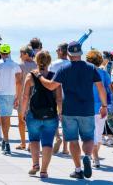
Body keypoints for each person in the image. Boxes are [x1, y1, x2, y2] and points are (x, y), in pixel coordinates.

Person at [34, 41, 107, 179]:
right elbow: (101, 88)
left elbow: (51, 86)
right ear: (80, 53)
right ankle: (87, 155)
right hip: (87, 109)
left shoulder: (64, 69)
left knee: (73, 140)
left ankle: (78, 169)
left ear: (68, 53)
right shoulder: (91, 68)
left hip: (69, 110)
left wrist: (39, 76)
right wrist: (104, 106)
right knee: (88, 138)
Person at [21, 51, 62, 178]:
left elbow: (25, 97)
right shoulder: (54, 76)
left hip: (33, 114)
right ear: (49, 62)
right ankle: (44, 171)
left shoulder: (30, 76)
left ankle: (35, 164)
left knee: (33, 140)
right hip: (50, 114)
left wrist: (23, 112)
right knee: (47, 143)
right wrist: (60, 113)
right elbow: (59, 99)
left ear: (36, 61)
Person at [0, 44, 22, 155]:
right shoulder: (15, 65)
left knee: (4, 118)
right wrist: (17, 96)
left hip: (0, 94)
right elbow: (18, 82)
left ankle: (6, 142)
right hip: (11, 94)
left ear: (0, 52)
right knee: (6, 118)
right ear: (9, 52)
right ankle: (5, 141)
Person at [86, 50, 113, 168]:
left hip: (87, 107)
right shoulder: (104, 74)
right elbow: (110, 89)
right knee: (98, 134)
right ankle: (94, 156)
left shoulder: (85, 73)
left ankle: (94, 156)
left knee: (91, 134)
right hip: (102, 107)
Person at [49, 42, 70, 155]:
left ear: (61, 51)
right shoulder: (72, 63)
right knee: (66, 122)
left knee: (54, 119)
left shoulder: (54, 64)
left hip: (55, 94)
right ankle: (66, 148)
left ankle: (57, 137)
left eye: (57, 50)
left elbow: (51, 80)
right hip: (68, 96)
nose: (56, 52)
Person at [17, 45, 37, 150]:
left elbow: (19, 83)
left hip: (23, 95)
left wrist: (16, 97)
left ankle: (23, 143)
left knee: (21, 120)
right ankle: (31, 143)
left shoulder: (20, 66)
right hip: (35, 96)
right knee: (32, 121)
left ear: (26, 54)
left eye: (21, 53)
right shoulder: (37, 65)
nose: (20, 55)